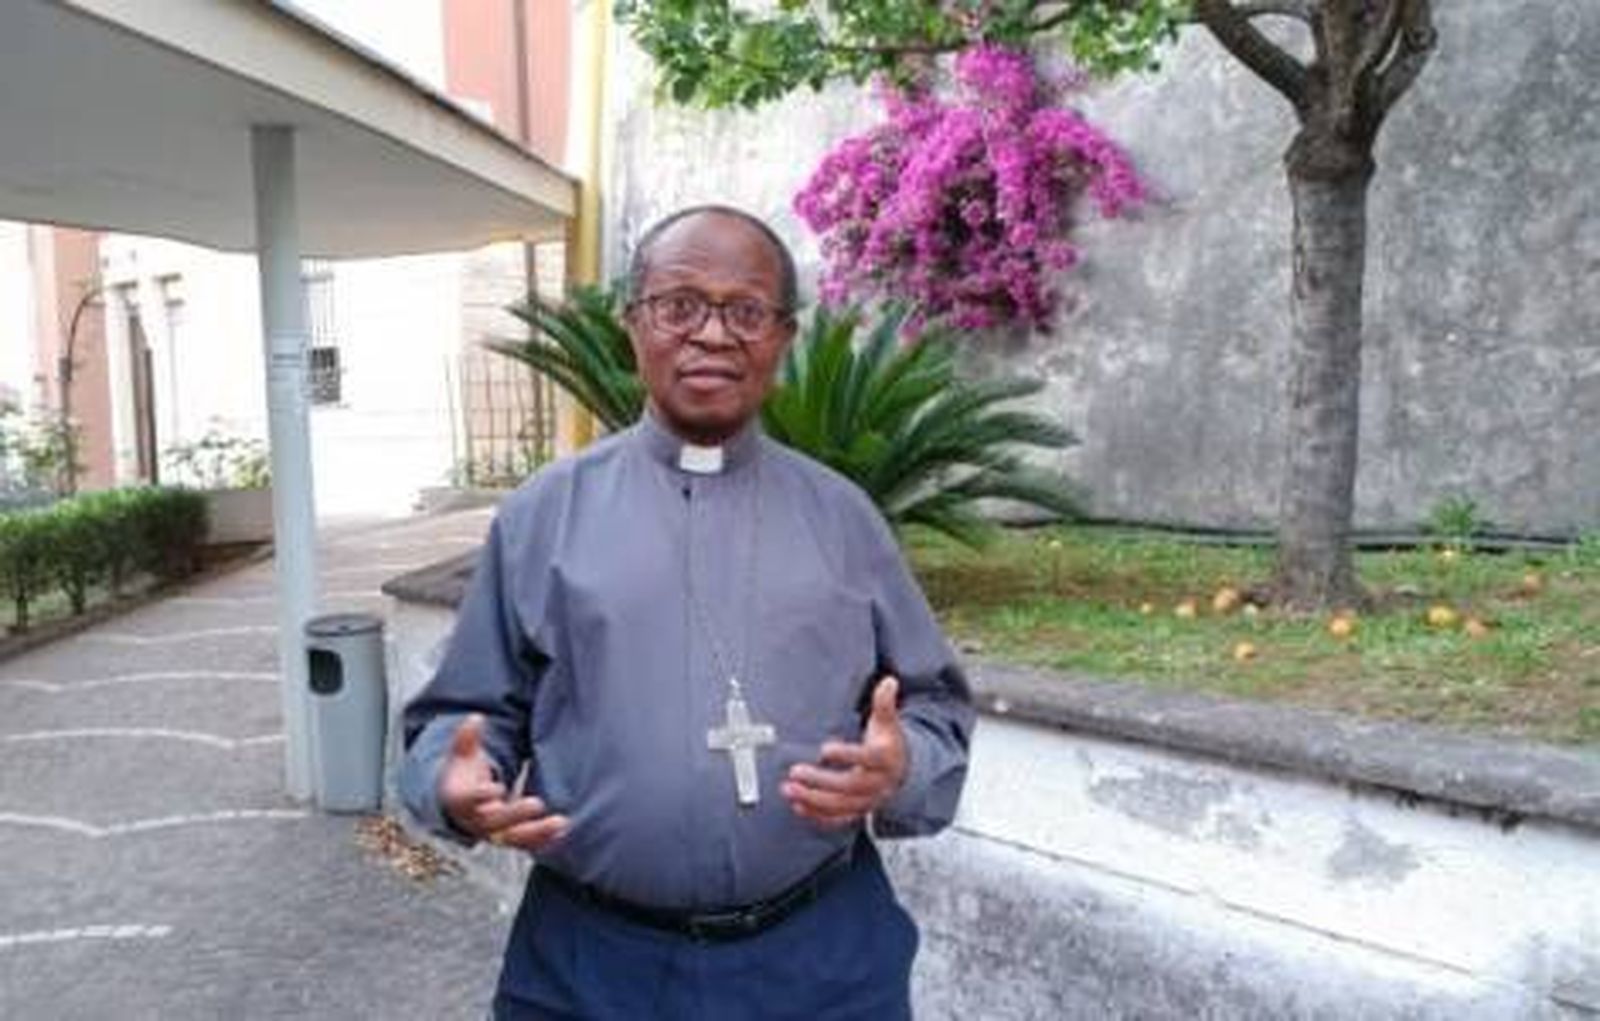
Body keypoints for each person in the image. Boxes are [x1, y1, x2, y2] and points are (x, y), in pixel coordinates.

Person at [400, 205, 974, 1020]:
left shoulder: (844, 519)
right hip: (590, 965)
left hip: (820, 959)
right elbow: (466, 713)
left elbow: (934, 704)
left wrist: (904, 764)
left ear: (782, 336)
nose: (712, 333)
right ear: (633, 326)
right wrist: (454, 780)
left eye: (745, 311)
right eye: (679, 305)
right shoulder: (544, 514)